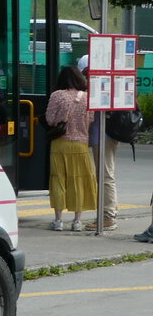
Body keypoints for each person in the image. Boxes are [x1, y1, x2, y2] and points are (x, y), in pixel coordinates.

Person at [44, 64, 96, 231]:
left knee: (58, 179)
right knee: (78, 181)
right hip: (81, 143)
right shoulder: (87, 98)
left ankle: (58, 221)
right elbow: (91, 119)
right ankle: (77, 222)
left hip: (60, 143)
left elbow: (50, 119)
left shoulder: (57, 95)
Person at [78, 54, 118, 230]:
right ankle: (109, 212)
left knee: (105, 176)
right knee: (106, 174)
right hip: (107, 135)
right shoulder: (106, 83)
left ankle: (108, 217)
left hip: (102, 136)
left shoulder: (97, 87)